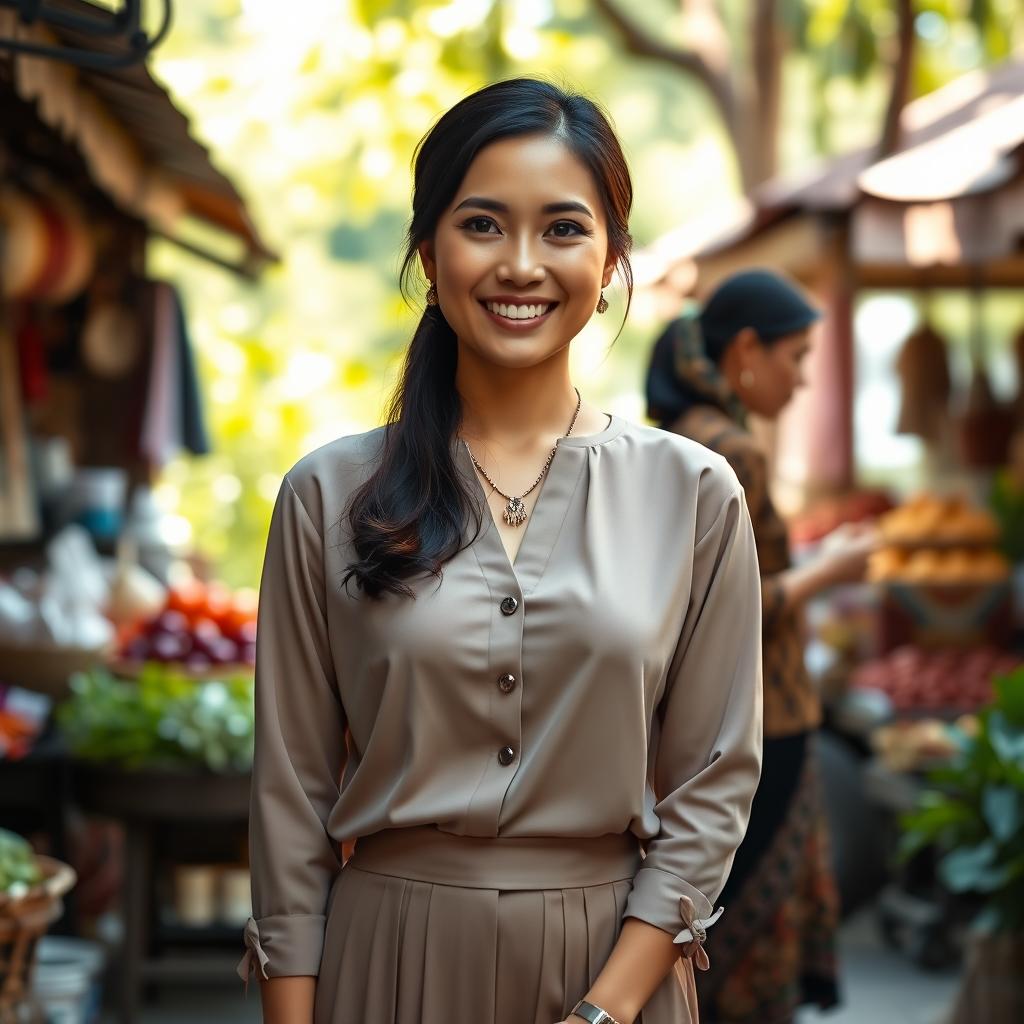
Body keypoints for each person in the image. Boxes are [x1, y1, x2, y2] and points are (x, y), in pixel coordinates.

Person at [238, 78, 763, 1024]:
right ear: (427, 253)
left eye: (563, 228)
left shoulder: (694, 495)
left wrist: (607, 1011)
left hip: (614, 968)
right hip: (388, 963)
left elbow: (712, 783)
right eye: (483, 224)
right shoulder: (326, 495)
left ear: (612, 261)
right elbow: (291, 796)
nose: (521, 264)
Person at [645, 269, 877, 1024]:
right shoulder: (733, 449)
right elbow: (743, 607)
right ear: (746, 349)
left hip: (698, 720)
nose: (803, 378)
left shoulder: (676, 436)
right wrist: (835, 571)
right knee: (742, 935)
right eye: (796, 357)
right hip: (764, 718)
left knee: (701, 912)